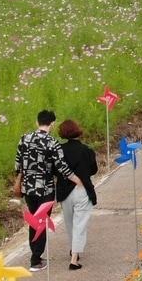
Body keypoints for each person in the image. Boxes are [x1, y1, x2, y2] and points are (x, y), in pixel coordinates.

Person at [13, 109, 81, 268]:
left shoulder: (24, 139)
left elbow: (17, 163)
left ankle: (35, 255)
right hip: (46, 188)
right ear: (52, 123)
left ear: (37, 122)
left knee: (34, 221)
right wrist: (77, 180)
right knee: (41, 221)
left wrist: (22, 177)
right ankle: (35, 259)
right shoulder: (52, 142)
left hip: (28, 188)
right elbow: (62, 167)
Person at [56, 120, 99, 270]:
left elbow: (56, 170)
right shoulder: (87, 150)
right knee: (80, 224)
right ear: (78, 131)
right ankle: (74, 258)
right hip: (82, 190)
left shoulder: (59, 150)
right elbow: (94, 170)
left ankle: (73, 250)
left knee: (69, 223)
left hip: (64, 191)